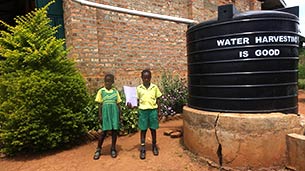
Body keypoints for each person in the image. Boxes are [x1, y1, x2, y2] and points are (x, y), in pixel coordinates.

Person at [128, 69, 162, 160]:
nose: (146, 79)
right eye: (144, 78)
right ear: (141, 78)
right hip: (143, 112)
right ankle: (143, 147)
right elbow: (136, 101)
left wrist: (159, 111)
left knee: (153, 129)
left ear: (150, 78)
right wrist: (131, 106)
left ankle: (154, 145)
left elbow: (158, 99)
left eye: (148, 77)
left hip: (153, 111)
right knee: (143, 130)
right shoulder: (139, 89)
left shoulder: (154, 87)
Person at [93, 73, 122, 160]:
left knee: (114, 131)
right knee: (104, 132)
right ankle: (98, 149)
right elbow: (100, 105)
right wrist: (100, 115)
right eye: (106, 81)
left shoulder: (115, 91)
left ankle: (113, 148)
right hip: (105, 113)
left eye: (109, 81)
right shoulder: (101, 91)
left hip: (114, 113)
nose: (108, 83)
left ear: (112, 82)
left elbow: (118, 104)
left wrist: (120, 115)